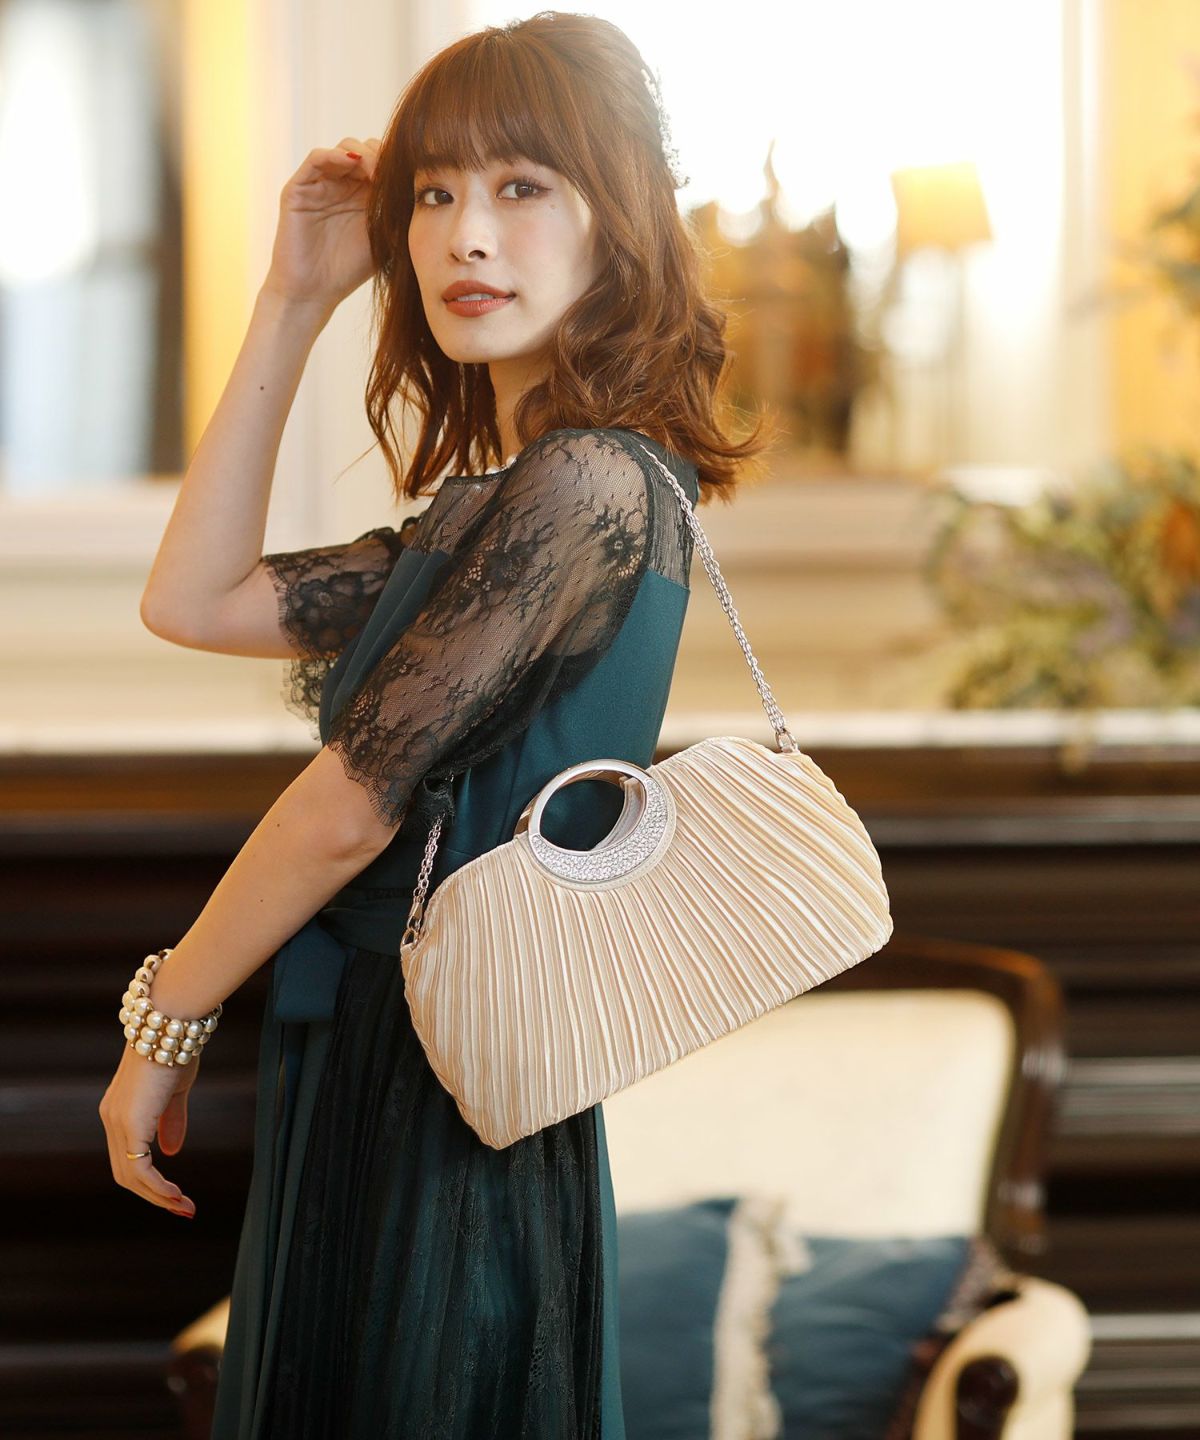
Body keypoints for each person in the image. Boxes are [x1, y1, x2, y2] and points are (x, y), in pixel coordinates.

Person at [99, 10, 773, 1437]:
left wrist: (168, 1019)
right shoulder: (493, 510)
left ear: (619, 222)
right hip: (381, 1064)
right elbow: (194, 597)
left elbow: (352, 805)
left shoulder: (587, 487)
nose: (468, 234)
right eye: (434, 192)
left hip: (449, 1094)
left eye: (524, 187)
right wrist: (293, 296)